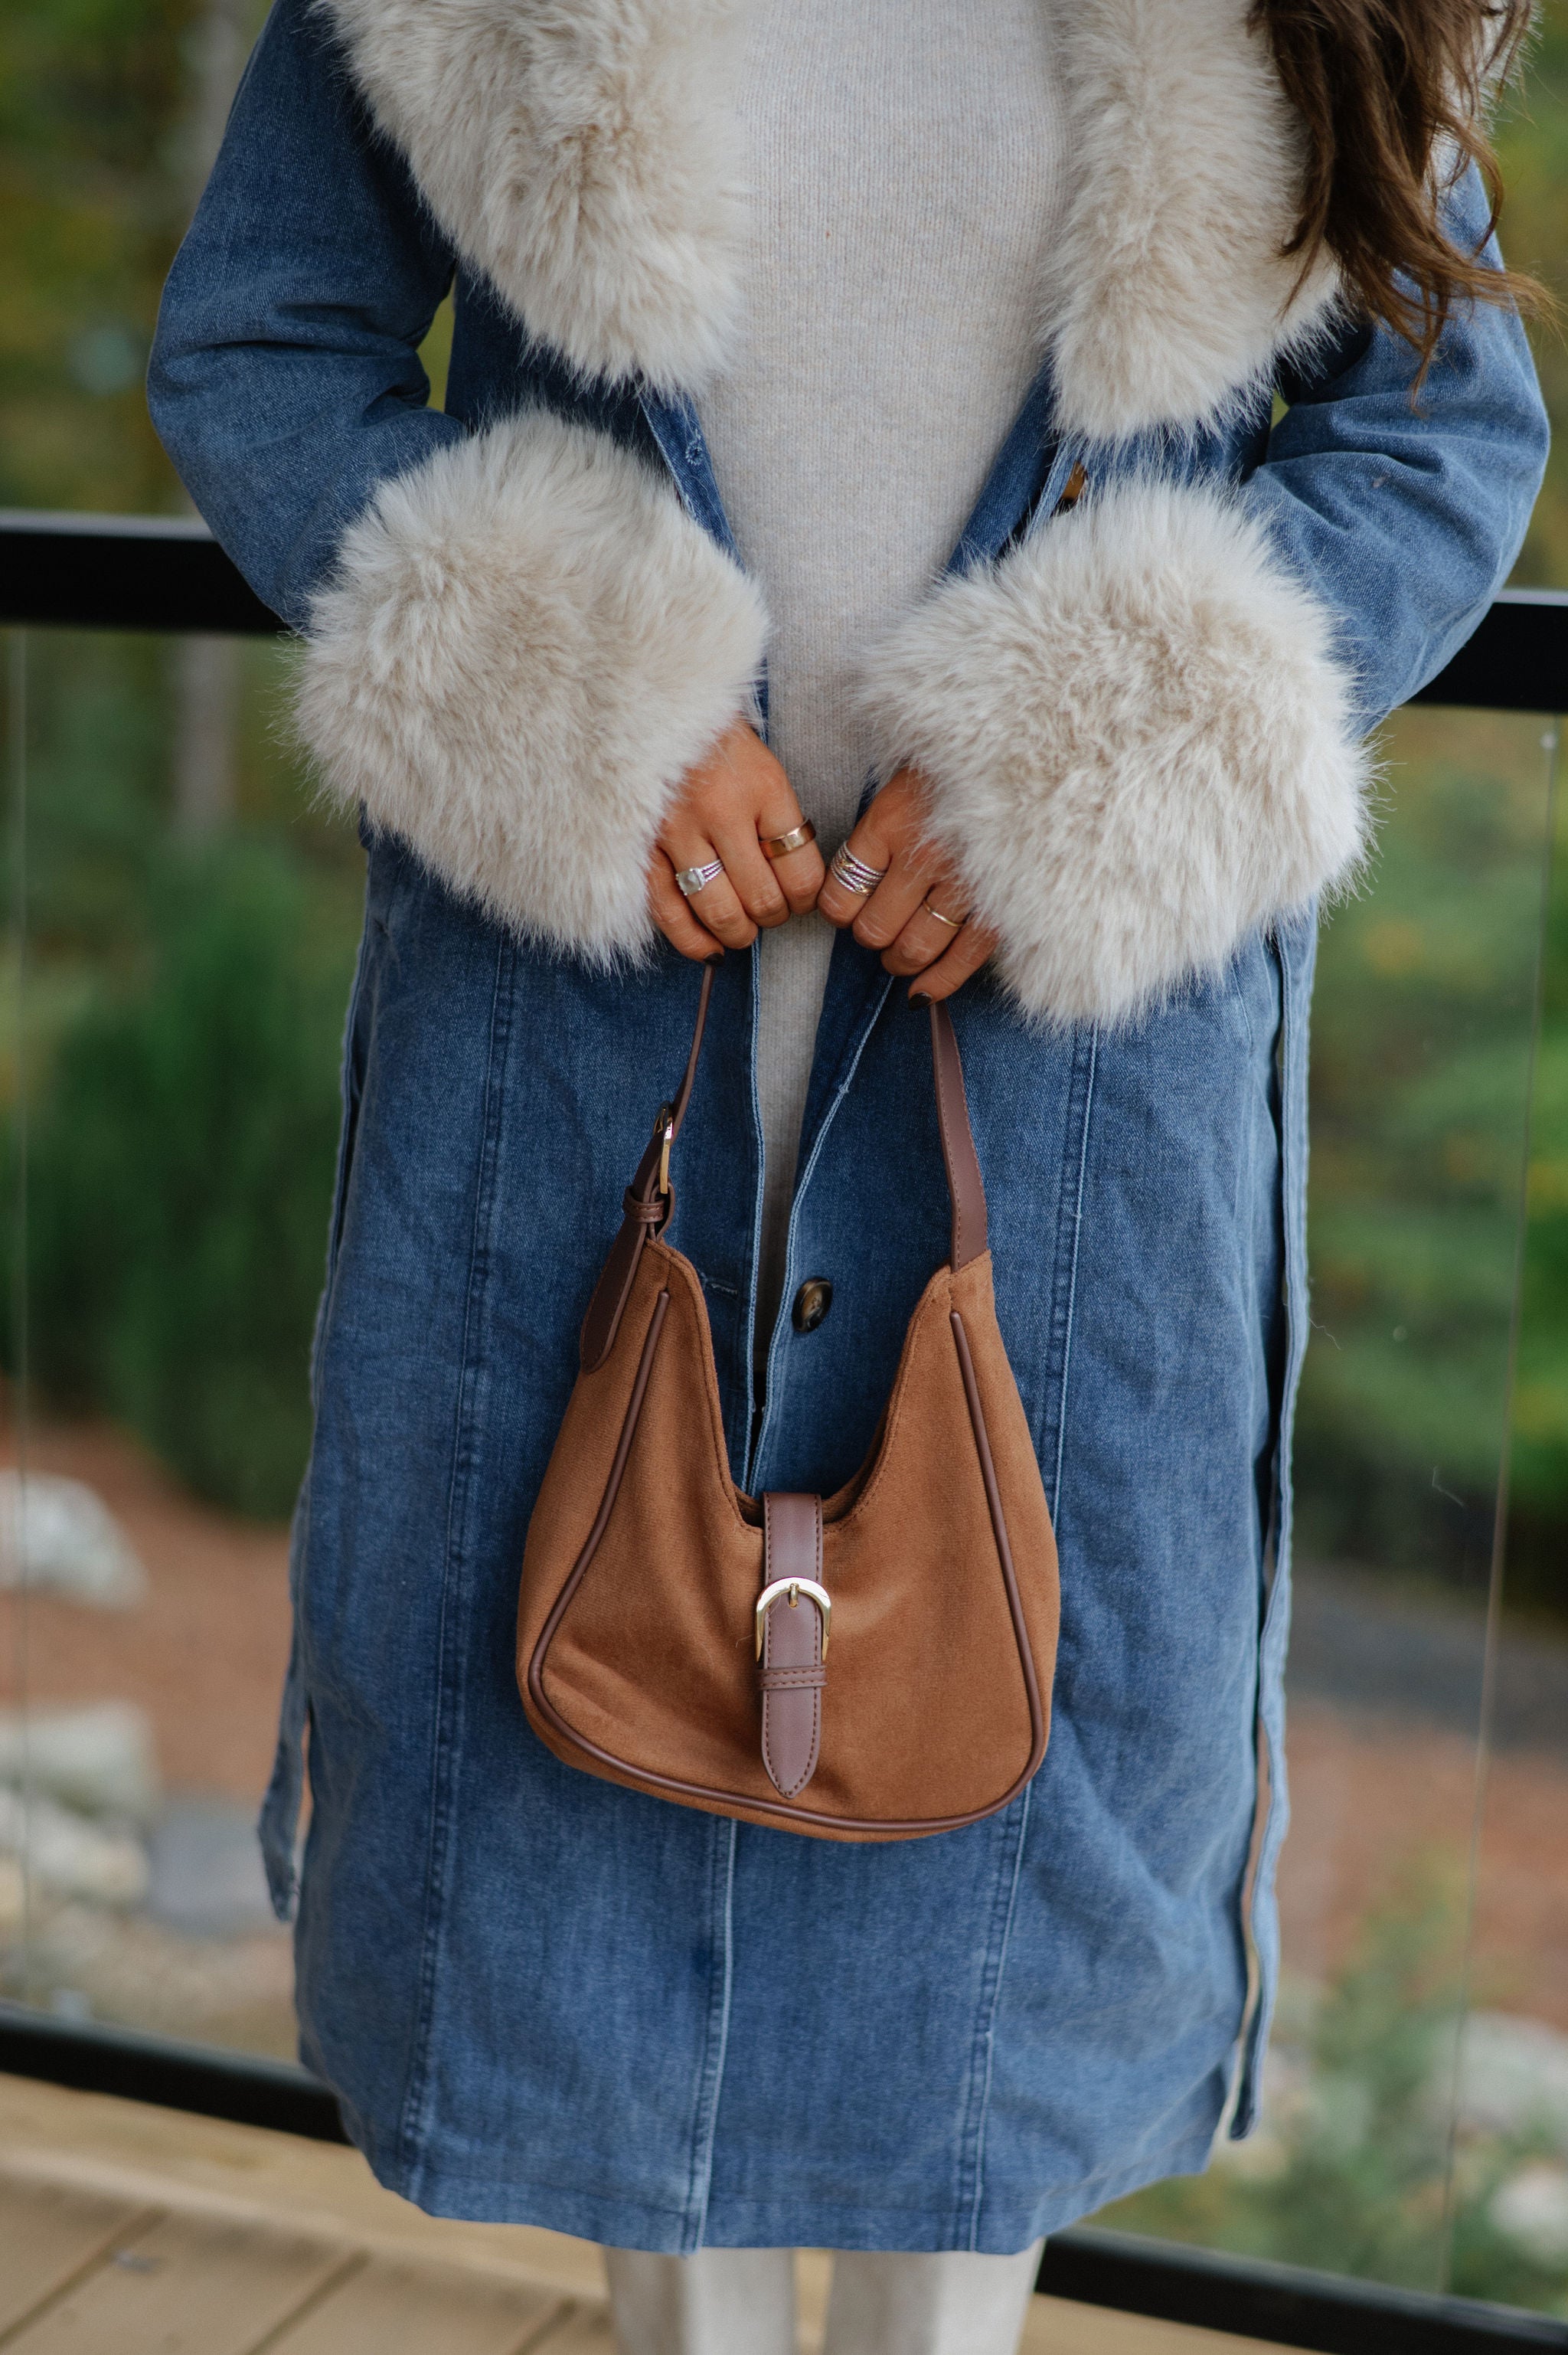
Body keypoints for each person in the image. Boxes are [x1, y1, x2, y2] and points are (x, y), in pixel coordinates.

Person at [147, 2, 1547, 2348]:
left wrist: (1086, 756)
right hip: (583, 1056)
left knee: (982, 2007)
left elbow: (1441, 435)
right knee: (602, 1877)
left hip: (1068, 1107)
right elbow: (262, 341)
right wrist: (577, 703)